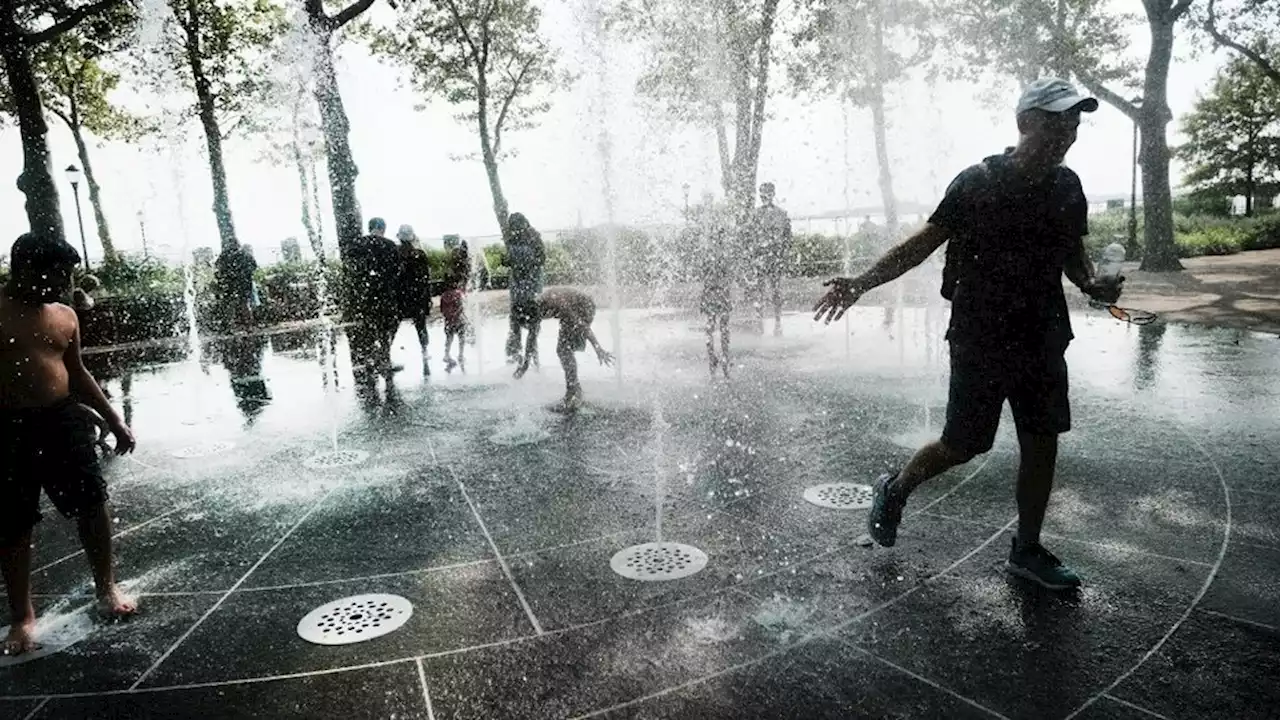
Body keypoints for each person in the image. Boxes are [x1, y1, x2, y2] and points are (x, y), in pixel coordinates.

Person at [812, 78, 1123, 591]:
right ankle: (896, 486)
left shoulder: (1068, 188)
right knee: (963, 444)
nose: (1067, 131)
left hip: (1043, 334)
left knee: (1042, 441)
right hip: (979, 335)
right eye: (1055, 120)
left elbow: (1076, 260)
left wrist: (1096, 285)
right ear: (1025, 123)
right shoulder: (976, 182)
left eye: (1074, 121)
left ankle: (1027, 549)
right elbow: (924, 242)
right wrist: (863, 282)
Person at [1, 232, 137, 657]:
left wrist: (114, 419)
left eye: (65, 276)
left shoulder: (64, 315)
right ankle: (23, 615)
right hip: (6, 428)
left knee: (92, 504)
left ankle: (106, 588)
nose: (59, 285)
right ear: (22, 268)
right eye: (52, 275)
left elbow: (75, 371)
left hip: (61, 420)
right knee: (12, 522)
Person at [512, 287, 614, 411]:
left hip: (584, 307)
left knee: (563, 350)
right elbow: (531, 338)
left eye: (528, 324)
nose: (530, 327)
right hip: (572, 311)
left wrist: (598, 348)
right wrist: (526, 365)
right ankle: (574, 392)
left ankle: (573, 393)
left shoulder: (555, 301)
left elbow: (580, 324)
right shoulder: (534, 309)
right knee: (564, 349)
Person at [340, 217, 400, 379]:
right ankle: (384, 358)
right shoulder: (389, 245)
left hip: (366, 294)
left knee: (368, 325)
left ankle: (369, 359)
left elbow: (351, 264)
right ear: (383, 228)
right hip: (385, 293)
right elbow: (396, 271)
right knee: (387, 326)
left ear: (370, 227)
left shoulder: (358, 244)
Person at [748, 182, 792, 335]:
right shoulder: (756, 214)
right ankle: (760, 319)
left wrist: (784, 255)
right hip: (762, 256)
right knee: (760, 289)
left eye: (766, 192)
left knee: (775, 289)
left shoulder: (781, 214)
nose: (763, 195)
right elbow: (750, 237)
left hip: (774, 257)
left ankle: (777, 320)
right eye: (762, 192)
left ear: (773, 194)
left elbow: (787, 239)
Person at [503, 212, 546, 365]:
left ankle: (532, 358)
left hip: (530, 285)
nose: (515, 229)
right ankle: (519, 355)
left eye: (516, 225)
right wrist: (509, 260)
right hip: (519, 286)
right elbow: (506, 260)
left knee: (532, 323)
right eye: (513, 226)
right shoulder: (513, 239)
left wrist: (526, 262)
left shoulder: (534, 238)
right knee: (517, 321)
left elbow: (542, 259)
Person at [699, 200, 734, 379]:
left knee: (710, 327)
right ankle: (725, 358)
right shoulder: (725, 253)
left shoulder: (707, 252)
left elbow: (703, 272)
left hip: (710, 291)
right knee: (724, 327)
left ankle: (712, 357)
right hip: (721, 291)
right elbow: (729, 273)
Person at [395, 224, 433, 374]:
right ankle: (424, 351)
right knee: (421, 324)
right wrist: (427, 297)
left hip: (401, 296)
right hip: (418, 295)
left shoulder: (395, 253)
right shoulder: (419, 254)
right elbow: (425, 278)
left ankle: (385, 354)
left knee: (394, 325)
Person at [441, 237, 470, 370]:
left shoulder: (444, 295)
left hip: (448, 321)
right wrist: (462, 316)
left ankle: (446, 354)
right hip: (458, 320)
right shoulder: (458, 294)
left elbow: (442, 309)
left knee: (449, 338)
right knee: (461, 336)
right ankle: (460, 354)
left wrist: (448, 316)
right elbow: (460, 307)